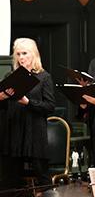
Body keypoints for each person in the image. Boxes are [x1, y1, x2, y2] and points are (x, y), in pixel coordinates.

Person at [0, 38, 56, 187]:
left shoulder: (44, 77)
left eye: (25, 53)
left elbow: (50, 106)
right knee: (9, 177)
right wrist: (2, 98)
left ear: (33, 54)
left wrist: (29, 103)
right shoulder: (10, 77)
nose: (21, 57)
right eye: (18, 54)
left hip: (34, 133)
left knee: (42, 175)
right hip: (14, 132)